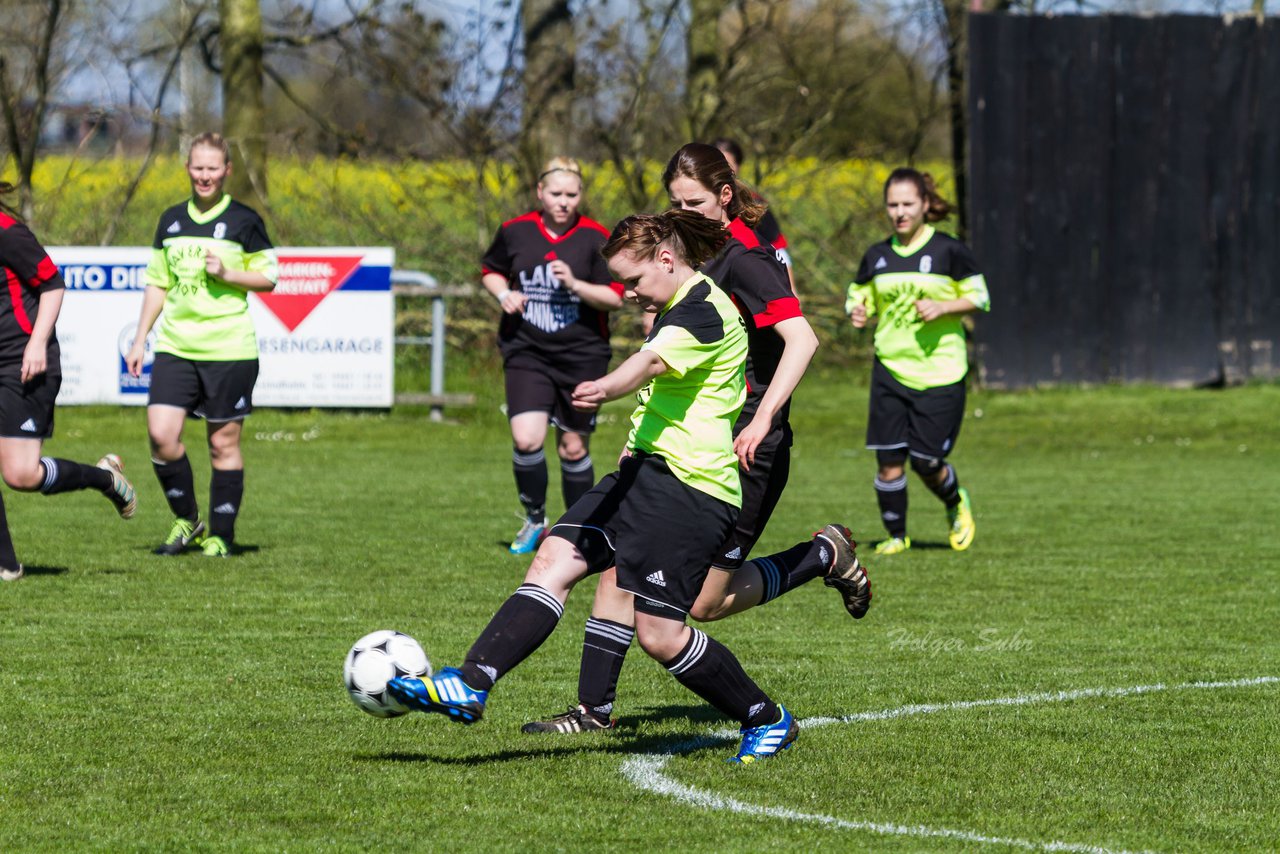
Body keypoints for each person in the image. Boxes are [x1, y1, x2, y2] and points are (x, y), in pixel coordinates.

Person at [388, 209, 799, 764]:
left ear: (666, 259)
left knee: (660, 635)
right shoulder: (676, 303)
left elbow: (648, 365)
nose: (628, 293)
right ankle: (471, 681)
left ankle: (767, 718)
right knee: (552, 560)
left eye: (633, 280)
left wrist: (604, 386)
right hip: (644, 474)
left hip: (690, 488)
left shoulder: (703, 309)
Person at [521, 142, 869, 736]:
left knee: (705, 604)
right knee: (619, 558)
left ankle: (821, 556)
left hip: (742, 448)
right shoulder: (685, 256)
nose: (683, 212)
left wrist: (763, 420)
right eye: (675, 202)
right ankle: (591, 709)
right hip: (683, 440)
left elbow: (802, 339)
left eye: (696, 202)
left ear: (725, 197)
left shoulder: (747, 260)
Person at [125, 132, 278, 558]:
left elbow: (268, 276)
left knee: (221, 445)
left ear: (227, 170)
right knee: (161, 435)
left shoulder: (245, 220)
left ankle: (222, 536)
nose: (204, 176)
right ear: (188, 168)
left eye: (213, 168)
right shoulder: (171, 220)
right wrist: (141, 339)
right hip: (176, 346)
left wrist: (229, 273)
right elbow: (158, 282)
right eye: (197, 167)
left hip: (229, 349)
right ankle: (187, 519)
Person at [480, 157, 624, 554]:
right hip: (527, 350)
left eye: (571, 195)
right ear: (540, 193)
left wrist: (575, 283)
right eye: (556, 194)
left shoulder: (596, 237)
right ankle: (535, 519)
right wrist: (503, 293)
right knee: (527, 439)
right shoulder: (515, 232)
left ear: (581, 196)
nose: (563, 202)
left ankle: (580, 528)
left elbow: (615, 297)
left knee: (573, 448)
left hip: (581, 354)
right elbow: (490, 269)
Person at [846, 167, 990, 556]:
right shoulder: (876, 256)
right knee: (889, 459)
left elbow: (980, 296)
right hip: (890, 369)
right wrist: (858, 311)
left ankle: (955, 501)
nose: (900, 212)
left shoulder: (949, 250)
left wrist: (944, 306)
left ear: (925, 204)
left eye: (908, 203)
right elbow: (859, 296)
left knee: (927, 460)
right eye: (892, 205)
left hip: (941, 371)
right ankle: (896, 536)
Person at [0, 182, 136, 582]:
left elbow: (53, 285)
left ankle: (106, 478)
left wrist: (38, 342)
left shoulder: (7, 232)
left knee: (20, 476)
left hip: (20, 361)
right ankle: (6, 565)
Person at [712, 137, 794, 286]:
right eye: (714, 165)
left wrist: (791, 290)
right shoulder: (690, 205)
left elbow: (779, 251)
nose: (720, 171)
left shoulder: (755, 205)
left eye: (727, 165)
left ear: (737, 167)